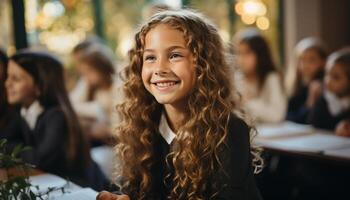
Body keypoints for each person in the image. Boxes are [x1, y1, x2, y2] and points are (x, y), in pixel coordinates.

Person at [98, 9, 262, 200]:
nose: (159, 69)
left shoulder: (229, 131)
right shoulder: (144, 126)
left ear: (203, 64)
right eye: (150, 57)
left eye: (175, 55)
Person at [5, 50, 108, 190]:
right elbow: (4, 141)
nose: (7, 84)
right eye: (7, 77)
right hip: (57, 184)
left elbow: (40, 160)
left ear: (40, 86)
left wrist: (15, 150)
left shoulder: (56, 115)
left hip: (85, 188)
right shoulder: (23, 112)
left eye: (15, 79)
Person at [69, 43, 118, 145]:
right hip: (100, 138)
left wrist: (107, 130)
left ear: (102, 68)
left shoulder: (117, 86)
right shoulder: (88, 84)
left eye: (89, 71)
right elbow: (71, 104)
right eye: (84, 72)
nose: (86, 76)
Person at [235, 28, 286, 123]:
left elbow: (277, 116)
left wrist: (248, 102)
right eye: (239, 53)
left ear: (260, 54)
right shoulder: (236, 79)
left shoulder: (271, 78)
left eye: (247, 53)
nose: (241, 59)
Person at [287, 37, 327, 123]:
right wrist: (309, 103)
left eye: (312, 60)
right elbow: (288, 116)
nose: (306, 65)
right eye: (302, 59)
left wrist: (311, 102)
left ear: (323, 61)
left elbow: (309, 121)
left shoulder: (324, 85)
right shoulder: (299, 86)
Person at [309, 48, 350, 132]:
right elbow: (313, 125)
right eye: (327, 74)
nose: (328, 81)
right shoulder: (324, 98)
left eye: (336, 77)